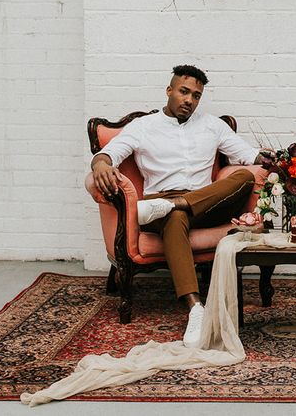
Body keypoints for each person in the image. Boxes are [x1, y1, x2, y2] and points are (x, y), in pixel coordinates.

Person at [90, 64, 272, 345]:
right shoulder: (142, 127)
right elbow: (108, 154)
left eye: (196, 95)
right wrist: (100, 164)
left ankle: (178, 203)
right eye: (184, 91)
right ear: (169, 90)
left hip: (204, 202)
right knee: (175, 219)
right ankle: (195, 309)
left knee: (244, 178)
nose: (189, 100)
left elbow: (248, 156)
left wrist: (278, 161)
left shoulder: (213, 126)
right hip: (155, 205)